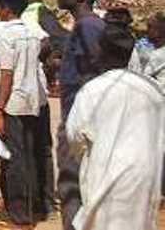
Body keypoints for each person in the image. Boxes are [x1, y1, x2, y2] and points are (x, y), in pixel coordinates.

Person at [66, 14, 164, 230]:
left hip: (106, 171)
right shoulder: (153, 89)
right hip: (146, 172)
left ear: (100, 52)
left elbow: (74, 136)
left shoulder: (93, 90)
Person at [0, 0, 48, 228]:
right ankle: (32, 209)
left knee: (14, 160)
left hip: (12, 103)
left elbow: (6, 75)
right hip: (32, 102)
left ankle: (19, 214)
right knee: (29, 155)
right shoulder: (33, 35)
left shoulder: (5, 37)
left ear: (4, 8)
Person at [54, 0, 104, 230]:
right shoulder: (82, 27)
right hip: (76, 115)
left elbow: (96, 73)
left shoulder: (89, 28)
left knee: (72, 184)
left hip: (81, 120)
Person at [129, 13, 165, 87]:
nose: (146, 30)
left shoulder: (160, 54)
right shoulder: (141, 46)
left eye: (150, 27)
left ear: (159, 31)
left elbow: (142, 77)